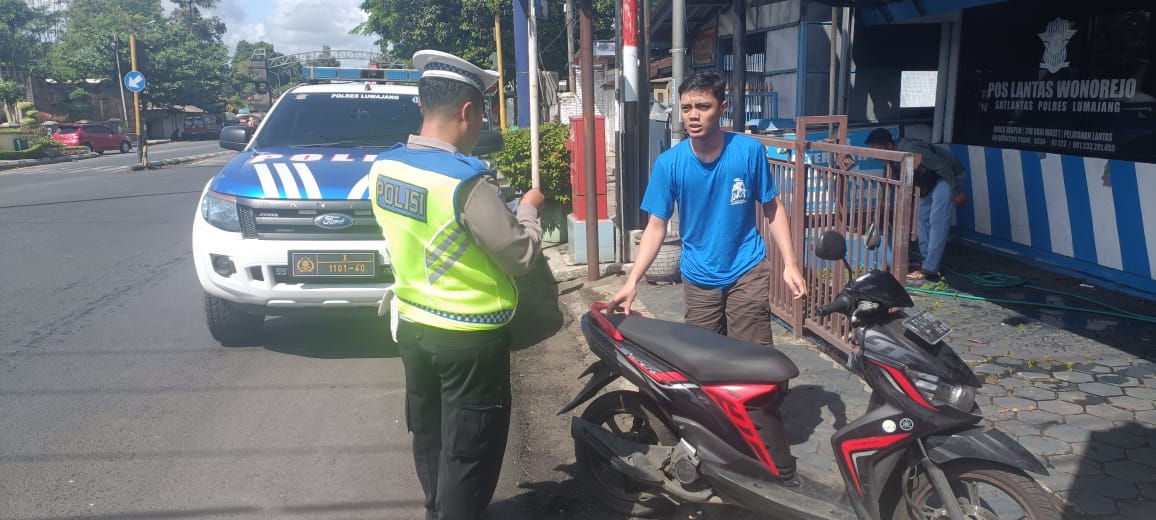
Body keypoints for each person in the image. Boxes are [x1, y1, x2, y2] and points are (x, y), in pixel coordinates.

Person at [369, 49, 545, 520]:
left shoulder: (385, 167)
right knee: (470, 451)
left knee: (430, 433)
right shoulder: (465, 182)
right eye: (482, 114)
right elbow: (520, 256)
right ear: (467, 111)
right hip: (469, 338)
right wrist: (529, 210)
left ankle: (437, 510)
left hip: (413, 326)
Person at [608, 71, 806, 347]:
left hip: (747, 268)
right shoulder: (669, 163)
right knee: (703, 356)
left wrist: (791, 264)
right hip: (698, 275)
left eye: (703, 107)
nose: (693, 116)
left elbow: (772, 208)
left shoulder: (749, 151)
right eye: (686, 108)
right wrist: (632, 281)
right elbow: (655, 226)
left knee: (751, 358)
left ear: (722, 108)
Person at [864, 128, 966, 282]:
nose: (874, 153)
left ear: (888, 145)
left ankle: (930, 267)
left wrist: (957, 191)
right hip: (928, 182)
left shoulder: (911, 149)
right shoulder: (890, 157)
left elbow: (942, 167)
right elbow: (888, 177)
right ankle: (927, 260)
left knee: (937, 220)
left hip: (946, 177)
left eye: (876, 148)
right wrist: (884, 200)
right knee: (920, 220)